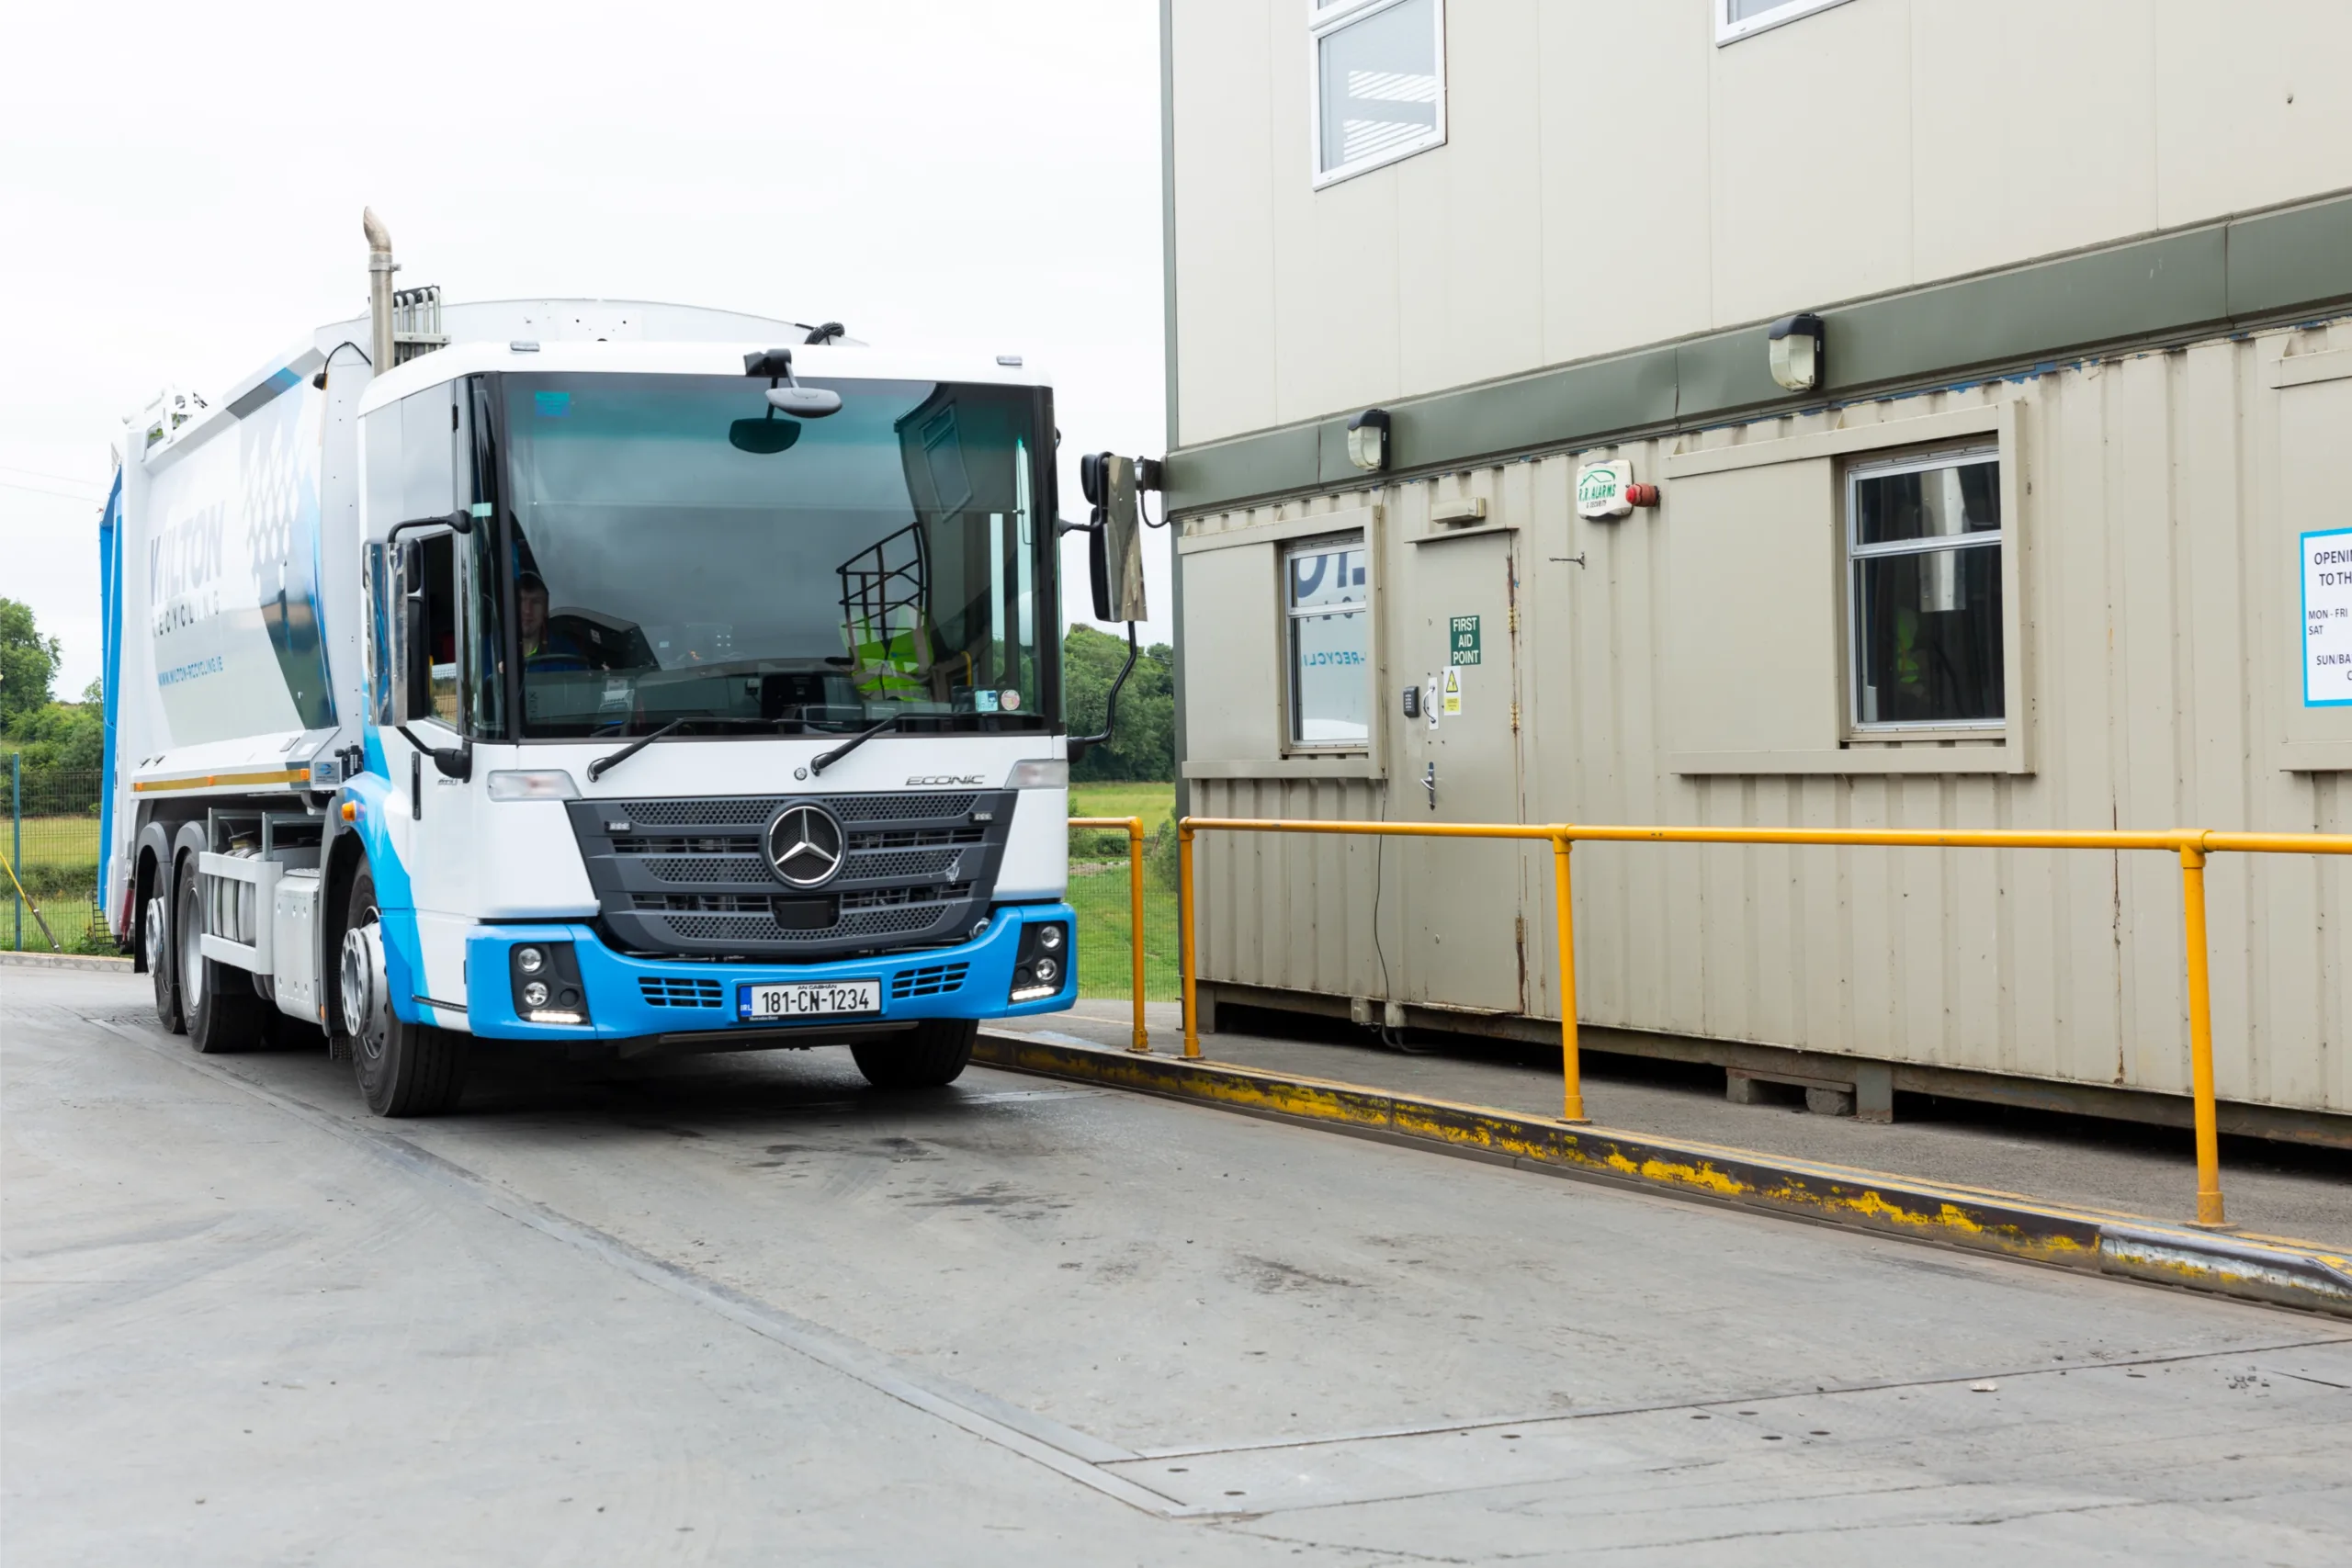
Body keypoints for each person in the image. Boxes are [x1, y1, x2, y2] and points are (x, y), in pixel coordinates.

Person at [516, 571, 589, 671]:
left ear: (546, 609)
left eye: (536, 602)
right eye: (521, 600)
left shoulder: (566, 658)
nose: (528, 610)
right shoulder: (490, 652)